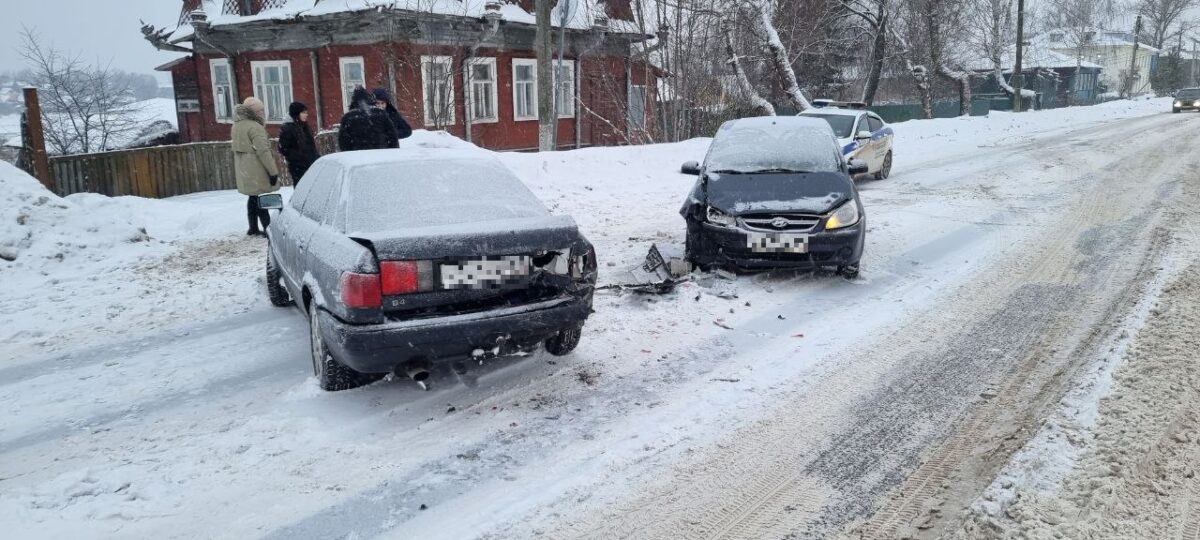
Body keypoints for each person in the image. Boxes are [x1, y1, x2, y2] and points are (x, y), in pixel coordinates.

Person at [231, 97, 279, 237]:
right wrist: (273, 172)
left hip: (245, 168)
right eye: (260, 110)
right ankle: (268, 229)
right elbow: (263, 151)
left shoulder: (236, 125)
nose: (263, 113)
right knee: (261, 199)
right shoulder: (255, 127)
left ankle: (253, 227)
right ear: (253, 112)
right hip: (256, 168)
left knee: (252, 197)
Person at [338, 86, 399, 151]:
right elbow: (392, 135)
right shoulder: (381, 113)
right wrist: (392, 151)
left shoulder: (348, 117)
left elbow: (343, 141)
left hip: (357, 153)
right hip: (380, 152)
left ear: (353, 100)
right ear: (368, 98)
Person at [278, 101, 320, 185]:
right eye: (303, 112)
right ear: (296, 114)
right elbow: (283, 148)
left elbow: (310, 146)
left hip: (311, 164)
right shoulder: (288, 128)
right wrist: (299, 158)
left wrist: (316, 158)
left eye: (306, 112)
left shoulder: (305, 127)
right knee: (302, 188)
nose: (306, 115)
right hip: (298, 167)